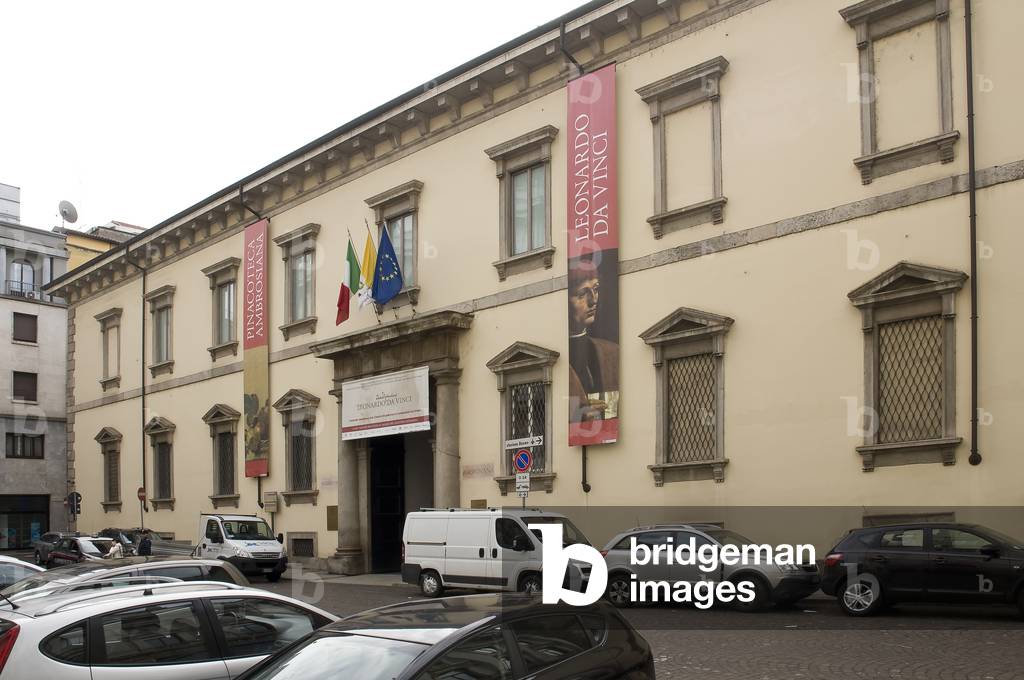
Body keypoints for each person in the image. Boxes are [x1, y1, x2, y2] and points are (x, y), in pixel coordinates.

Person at [567, 254, 619, 423]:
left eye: (595, 290)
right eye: (582, 294)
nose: (593, 300)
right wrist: (578, 416)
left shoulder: (612, 351)